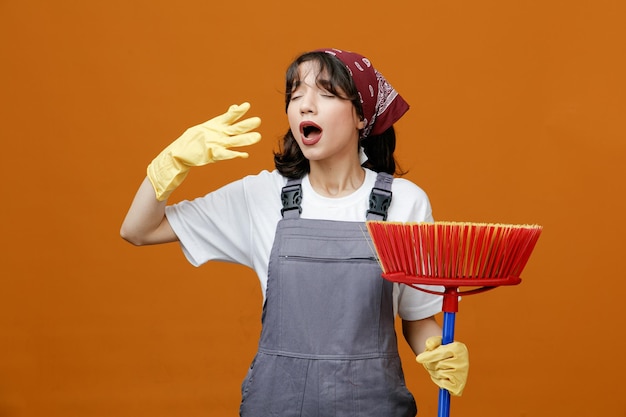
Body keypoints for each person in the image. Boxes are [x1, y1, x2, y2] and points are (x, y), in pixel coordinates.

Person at [121, 48, 469, 416]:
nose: (305, 106)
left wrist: (437, 353)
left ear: (361, 116)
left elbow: (417, 320)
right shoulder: (261, 195)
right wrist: (170, 164)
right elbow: (139, 230)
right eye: (296, 95)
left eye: (326, 93)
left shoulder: (405, 203)